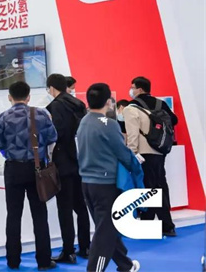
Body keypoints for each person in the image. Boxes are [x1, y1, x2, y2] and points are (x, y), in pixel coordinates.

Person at [0, 82, 57, 271]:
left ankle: (13, 260)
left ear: (9, 97)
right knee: (40, 215)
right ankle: (44, 261)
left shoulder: (3, 117)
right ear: (28, 97)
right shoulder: (41, 114)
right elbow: (53, 137)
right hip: (37, 169)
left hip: (13, 169)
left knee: (13, 215)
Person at [77, 83, 141, 272]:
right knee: (105, 232)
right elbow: (122, 152)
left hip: (87, 183)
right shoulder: (109, 124)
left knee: (106, 228)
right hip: (106, 185)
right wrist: (136, 164)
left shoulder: (84, 121)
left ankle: (125, 265)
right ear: (108, 101)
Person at [125, 76, 178, 237]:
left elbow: (132, 134)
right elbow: (174, 120)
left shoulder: (131, 108)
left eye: (132, 87)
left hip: (143, 153)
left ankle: (154, 224)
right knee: (160, 186)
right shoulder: (160, 104)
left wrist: (132, 152)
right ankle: (164, 224)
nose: (131, 90)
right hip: (160, 150)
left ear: (139, 89)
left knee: (147, 188)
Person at [46, 74, 91, 263]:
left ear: (51, 88)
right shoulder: (79, 104)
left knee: (64, 209)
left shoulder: (55, 106)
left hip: (62, 162)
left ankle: (68, 250)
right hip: (79, 160)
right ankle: (86, 246)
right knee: (81, 206)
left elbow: (55, 135)